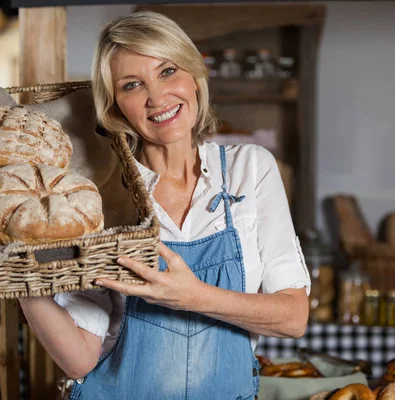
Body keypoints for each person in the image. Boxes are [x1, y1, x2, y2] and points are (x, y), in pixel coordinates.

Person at [19, 10, 310, 400]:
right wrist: (21, 278)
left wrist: (191, 296)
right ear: (115, 104)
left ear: (194, 76)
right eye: (132, 84)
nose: (157, 98)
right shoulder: (99, 195)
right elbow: (81, 359)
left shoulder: (250, 170)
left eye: (168, 71)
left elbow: (293, 317)